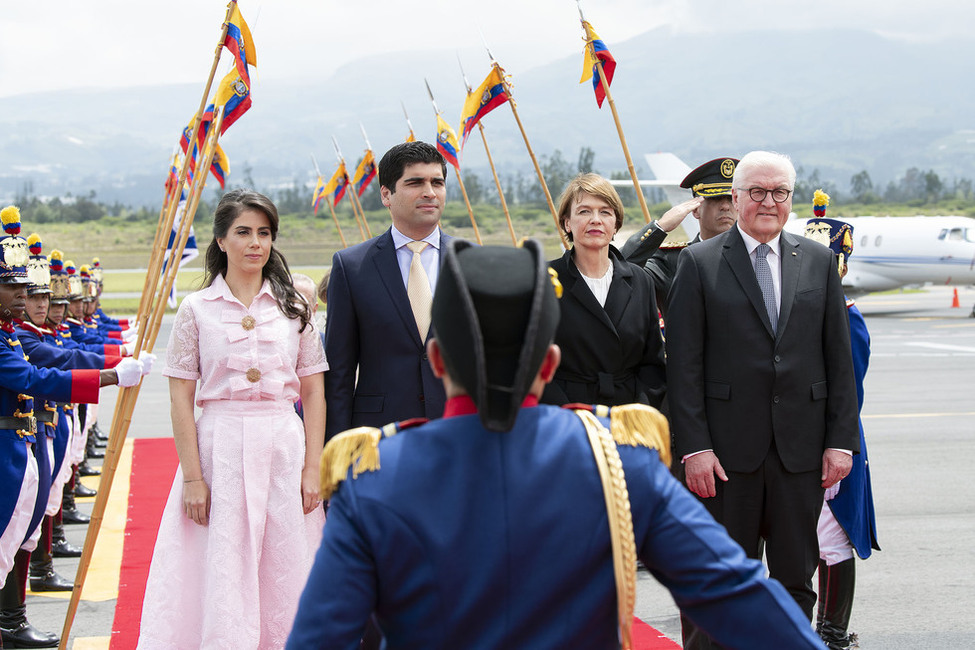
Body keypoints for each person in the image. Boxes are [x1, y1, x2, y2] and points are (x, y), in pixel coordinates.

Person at [287, 239, 826, 649]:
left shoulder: (374, 477)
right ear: (549, 364)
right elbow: (736, 597)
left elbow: (320, 638)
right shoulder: (618, 461)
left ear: (436, 362)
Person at [666, 151, 860, 647]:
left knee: (796, 582)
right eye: (757, 192)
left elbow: (839, 362)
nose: (768, 202)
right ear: (736, 198)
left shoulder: (817, 260)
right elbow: (683, 368)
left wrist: (840, 442)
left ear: (791, 199)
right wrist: (694, 448)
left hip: (801, 454)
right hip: (726, 458)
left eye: (779, 192)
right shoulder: (699, 262)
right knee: (721, 581)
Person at [137, 190, 328, 649]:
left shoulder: (294, 310)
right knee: (221, 561)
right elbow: (181, 395)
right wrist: (191, 478)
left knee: (285, 561)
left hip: (284, 444)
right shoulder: (196, 309)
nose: (254, 243)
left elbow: (314, 390)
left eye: (264, 233)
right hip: (218, 445)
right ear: (221, 239)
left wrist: (313, 466)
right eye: (243, 232)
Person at [0, 205, 144, 649]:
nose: (28, 299)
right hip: (13, 441)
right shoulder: (15, 337)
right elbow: (37, 375)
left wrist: (115, 359)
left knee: (22, 531)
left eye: (34, 292)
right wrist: (111, 372)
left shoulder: (10, 333)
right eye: (14, 287)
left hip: (26, 438)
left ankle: (12, 618)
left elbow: (64, 356)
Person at [323, 141, 452, 441]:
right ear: (386, 194)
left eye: (437, 182)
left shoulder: (472, 260)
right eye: (415, 182)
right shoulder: (351, 266)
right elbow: (339, 373)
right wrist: (337, 451)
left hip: (456, 431)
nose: (429, 192)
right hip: (378, 438)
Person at [804, 196, 880, 650]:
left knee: (832, 539)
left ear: (841, 267)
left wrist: (837, 446)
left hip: (833, 445)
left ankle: (832, 636)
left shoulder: (847, 319)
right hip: (793, 444)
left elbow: (850, 396)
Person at [541, 173, 665, 408]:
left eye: (605, 212)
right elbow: (535, 363)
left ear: (616, 224)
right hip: (567, 415)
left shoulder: (640, 281)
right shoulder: (546, 279)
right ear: (567, 222)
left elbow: (653, 363)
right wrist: (570, 417)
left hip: (629, 417)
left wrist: (640, 412)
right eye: (584, 211)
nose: (595, 220)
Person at [620, 157, 739, 318]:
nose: (725, 206)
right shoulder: (672, 261)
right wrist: (659, 228)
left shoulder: (756, 255)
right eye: (715, 198)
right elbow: (619, 270)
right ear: (696, 210)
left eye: (731, 199)